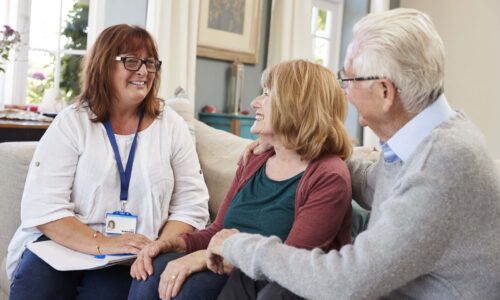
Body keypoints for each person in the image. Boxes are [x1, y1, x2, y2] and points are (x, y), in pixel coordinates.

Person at [206, 8, 500, 299]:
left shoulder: (441, 166)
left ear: (385, 91)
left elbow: (346, 283)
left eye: (349, 79)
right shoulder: (421, 143)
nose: (343, 91)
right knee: (254, 284)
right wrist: (293, 143)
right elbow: (370, 182)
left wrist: (238, 245)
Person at [7, 24, 209, 299]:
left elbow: (191, 205)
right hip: (62, 247)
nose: (143, 71)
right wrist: (103, 243)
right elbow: (44, 206)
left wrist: (158, 247)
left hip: (133, 256)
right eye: (131, 61)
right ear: (104, 66)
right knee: (37, 285)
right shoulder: (72, 122)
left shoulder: (170, 125)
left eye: (150, 63)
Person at [128, 59, 353, 300]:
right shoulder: (255, 160)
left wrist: (204, 257)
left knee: (190, 290)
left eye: (267, 94)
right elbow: (217, 230)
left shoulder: (328, 175)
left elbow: (290, 264)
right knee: (153, 270)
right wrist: (172, 243)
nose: (255, 102)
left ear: (298, 105)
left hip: (268, 282)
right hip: (229, 265)